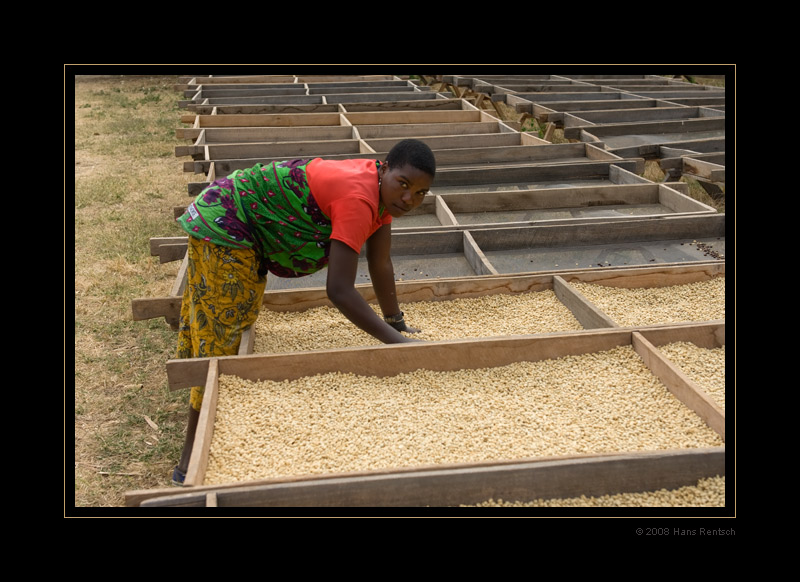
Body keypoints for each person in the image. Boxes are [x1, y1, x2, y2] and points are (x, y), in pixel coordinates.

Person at [170, 138, 436, 485]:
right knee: (221, 337)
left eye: (420, 193)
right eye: (404, 185)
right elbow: (339, 291)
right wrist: (397, 345)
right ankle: (189, 460)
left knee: (235, 320)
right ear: (384, 168)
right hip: (227, 222)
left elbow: (380, 260)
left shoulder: (382, 197)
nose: (409, 199)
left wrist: (396, 322)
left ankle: (202, 421)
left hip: (244, 225)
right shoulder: (359, 199)